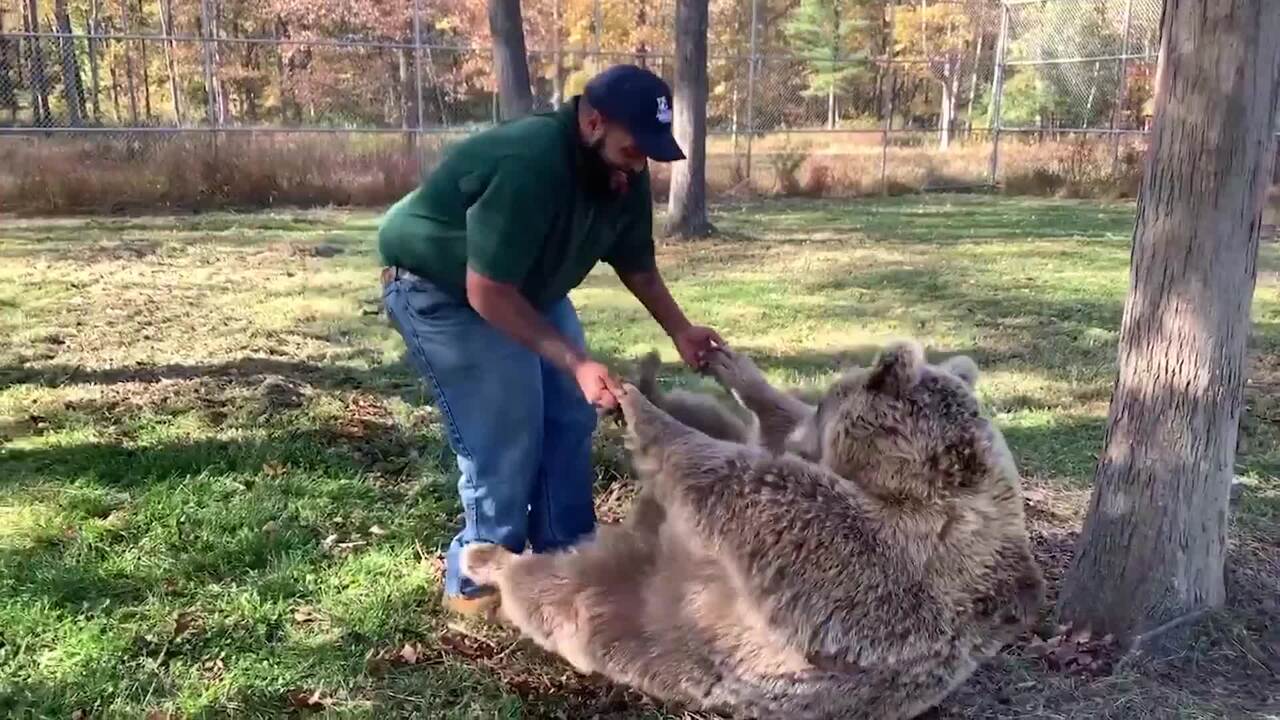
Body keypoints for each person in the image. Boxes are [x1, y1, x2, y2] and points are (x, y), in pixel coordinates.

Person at [376, 64, 724, 616]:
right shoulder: (532, 162)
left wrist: (681, 330)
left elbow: (637, 265)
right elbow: (487, 291)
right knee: (507, 430)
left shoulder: (621, 172)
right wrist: (577, 359)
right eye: (635, 148)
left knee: (568, 413)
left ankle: (569, 561)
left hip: (526, 286)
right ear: (592, 122)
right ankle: (479, 582)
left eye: (651, 153)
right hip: (440, 287)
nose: (641, 166)